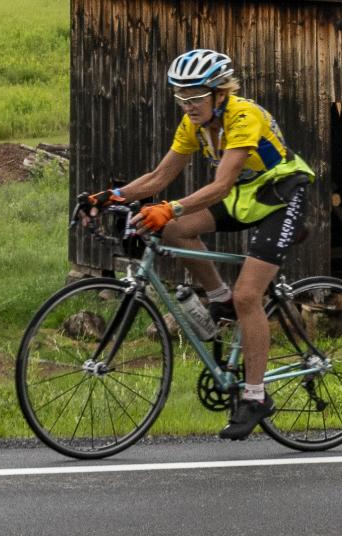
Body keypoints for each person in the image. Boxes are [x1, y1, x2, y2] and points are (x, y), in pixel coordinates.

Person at [108, 49, 315, 439]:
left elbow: (220, 184)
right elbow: (158, 175)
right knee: (174, 231)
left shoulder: (243, 116)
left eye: (195, 97)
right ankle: (217, 296)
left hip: (281, 196)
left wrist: (169, 208)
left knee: (248, 296)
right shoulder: (194, 125)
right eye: (180, 98)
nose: (187, 106)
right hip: (244, 197)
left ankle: (255, 396)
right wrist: (110, 196)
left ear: (219, 92)